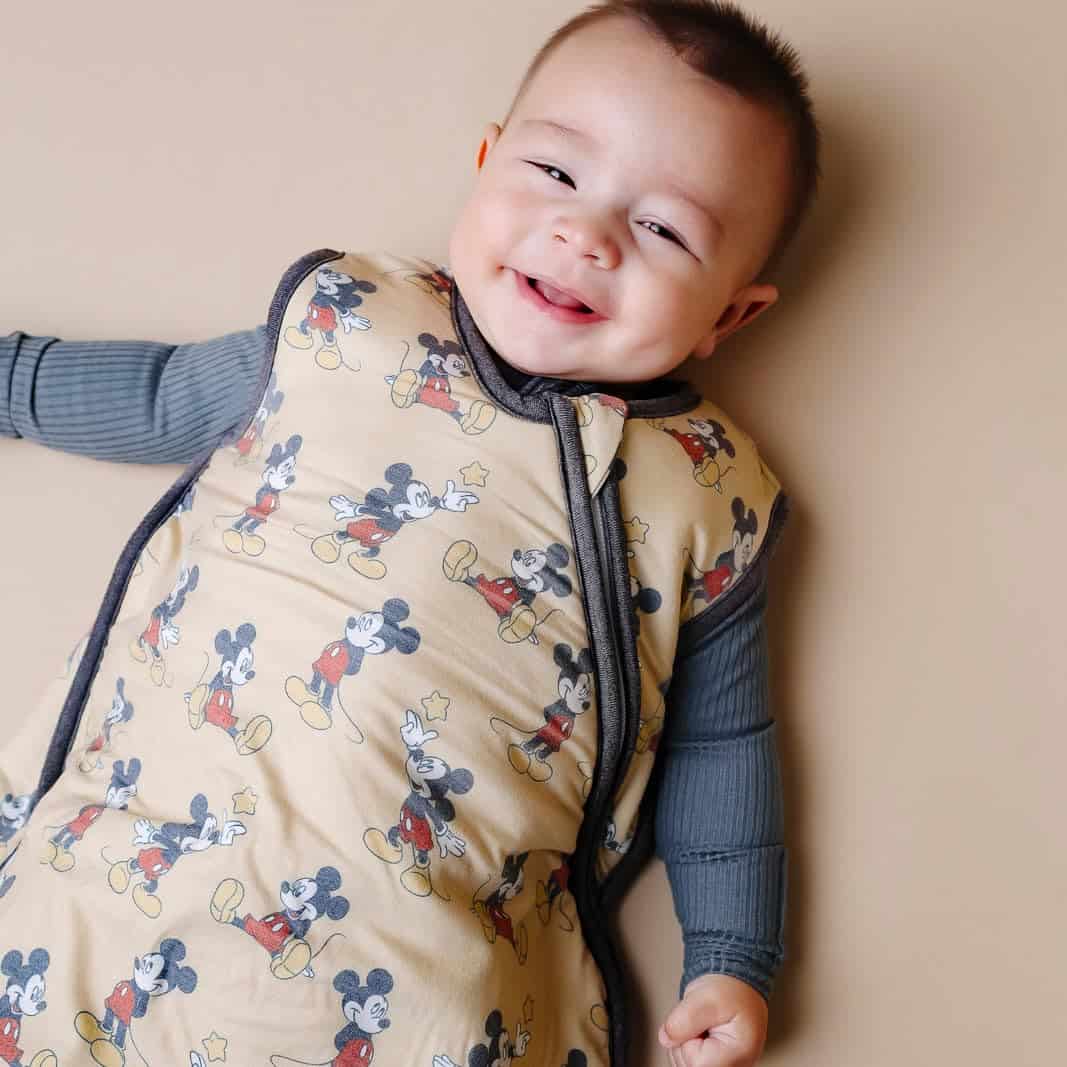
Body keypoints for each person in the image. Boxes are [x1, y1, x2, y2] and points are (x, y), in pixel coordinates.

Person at [0, 2, 819, 1064]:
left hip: (425, 971)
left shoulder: (707, 493)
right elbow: (161, 396)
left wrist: (733, 952)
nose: (586, 236)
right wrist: (10, 377)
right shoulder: (349, 327)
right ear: (484, 162)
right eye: (554, 173)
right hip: (136, 872)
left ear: (731, 314)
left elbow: (724, 741)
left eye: (663, 229)